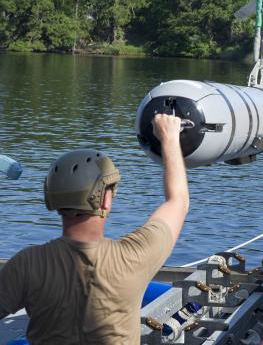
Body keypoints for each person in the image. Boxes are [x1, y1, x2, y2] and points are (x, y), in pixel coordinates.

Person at [0, 114, 189, 344]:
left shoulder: (26, 265)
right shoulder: (134, 256)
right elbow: (178, 201)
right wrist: (169, 137)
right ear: (105, 201)